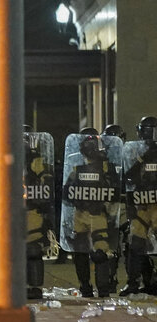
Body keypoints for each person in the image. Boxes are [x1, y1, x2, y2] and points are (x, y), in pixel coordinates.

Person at [60, 130, 123, 297]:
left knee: (100, 252)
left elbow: (114, 193)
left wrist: (109, 213)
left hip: (99, 215)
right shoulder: (78, 169)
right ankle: (85, 287)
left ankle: (103, 289)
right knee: (80, 252)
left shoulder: (108, 169)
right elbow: (67, 193)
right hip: (80, 214)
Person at [120, 115, 157, 295]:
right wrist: (144, 158)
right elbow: (129, 176)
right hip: (141, 202)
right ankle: (133, 282)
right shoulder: (134, 151)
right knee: (135, 244)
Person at [23, 129, 55, 299]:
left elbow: (47, 184)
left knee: (33, 250)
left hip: (32, 211)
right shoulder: (4, 159)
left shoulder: (37, 162)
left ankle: (35, 287)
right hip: (9, 212)